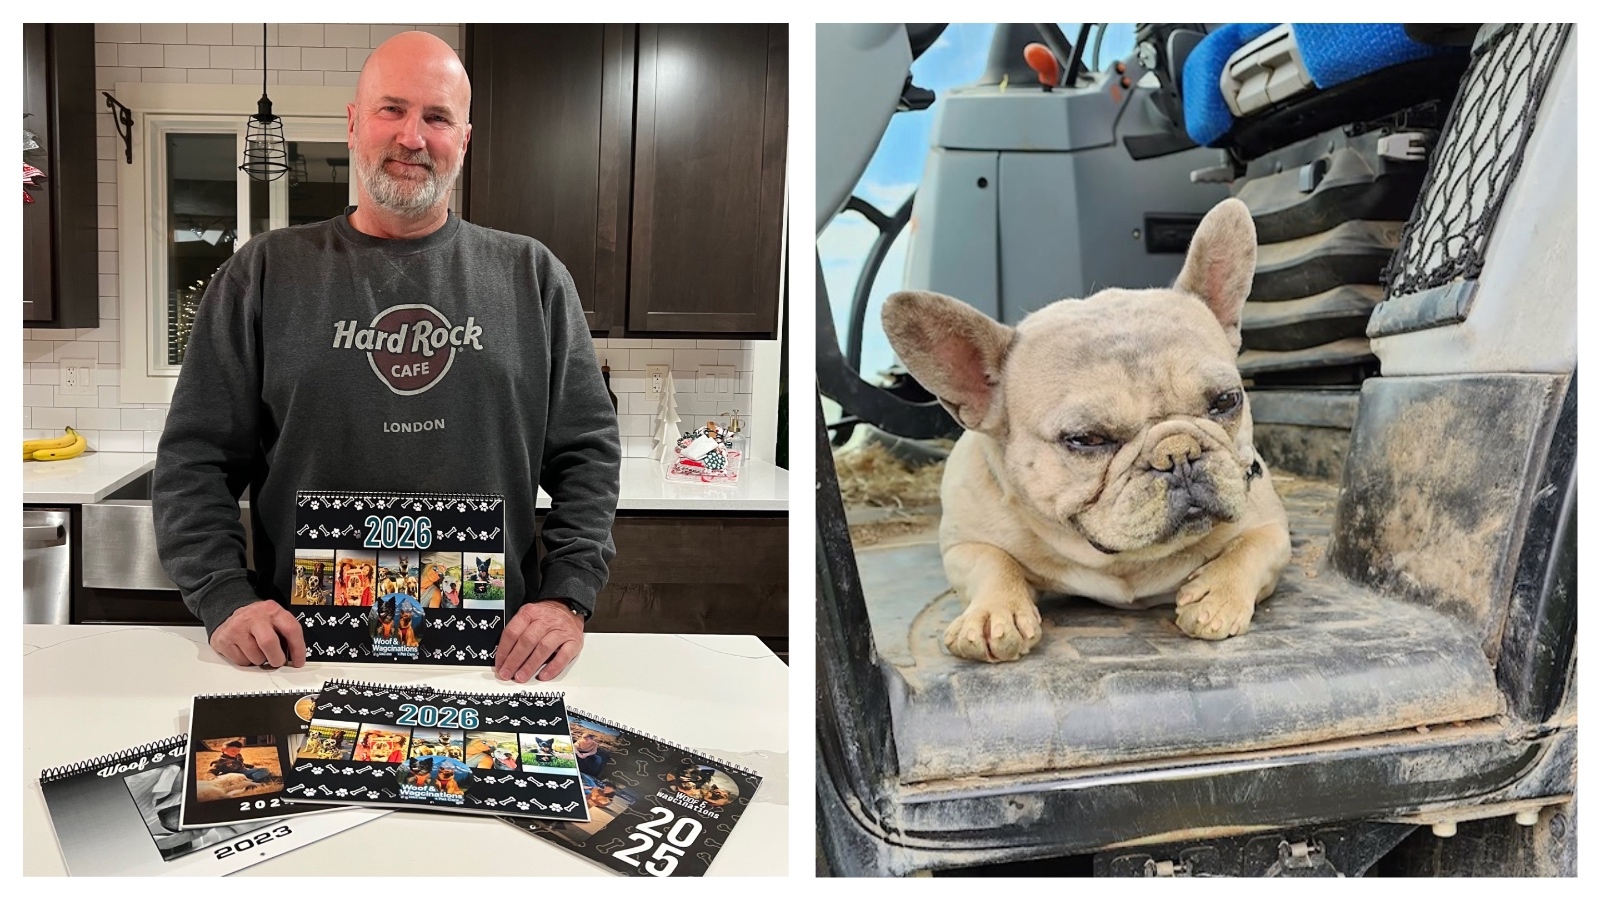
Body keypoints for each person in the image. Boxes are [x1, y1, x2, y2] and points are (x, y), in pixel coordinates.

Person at [151, 31, 620, 683]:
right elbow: (194, 458)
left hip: (493, 661)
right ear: (352, 124)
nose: (412, 137)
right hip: (296, 659)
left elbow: (588, 452)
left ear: (465, 139)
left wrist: (566, 597)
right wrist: (224, 596)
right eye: (391, 109)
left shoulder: (532, 277)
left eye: (437, 117)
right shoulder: (264, 273)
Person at [208, 741, 275, 784]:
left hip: (244, 772)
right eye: (233, 751)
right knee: (266, 772)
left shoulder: (238, 756)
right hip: (235, 776)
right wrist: (212, 778)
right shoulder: (220, 761)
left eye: (238, 750)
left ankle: (253, 779)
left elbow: (241, 763)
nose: (236, 753)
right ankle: (253, 781)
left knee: (265, 770)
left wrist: (252, 766)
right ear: (223, 750)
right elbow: (211, 772)